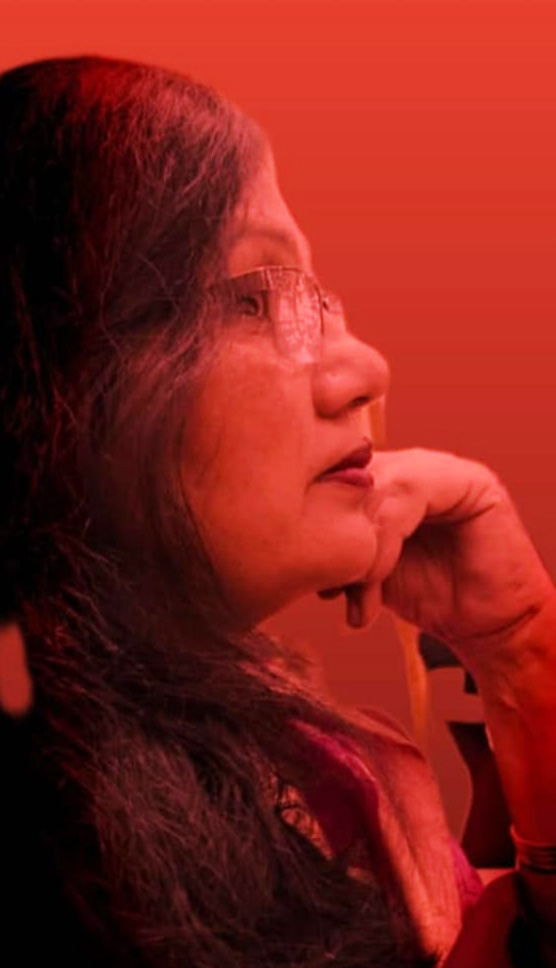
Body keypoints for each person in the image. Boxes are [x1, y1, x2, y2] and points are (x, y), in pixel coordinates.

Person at [0, 54, 554, 968]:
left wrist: (523, 648)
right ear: (54, 383)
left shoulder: (311, 772)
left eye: (312, 299)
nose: (364, 371)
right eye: (253, 299)